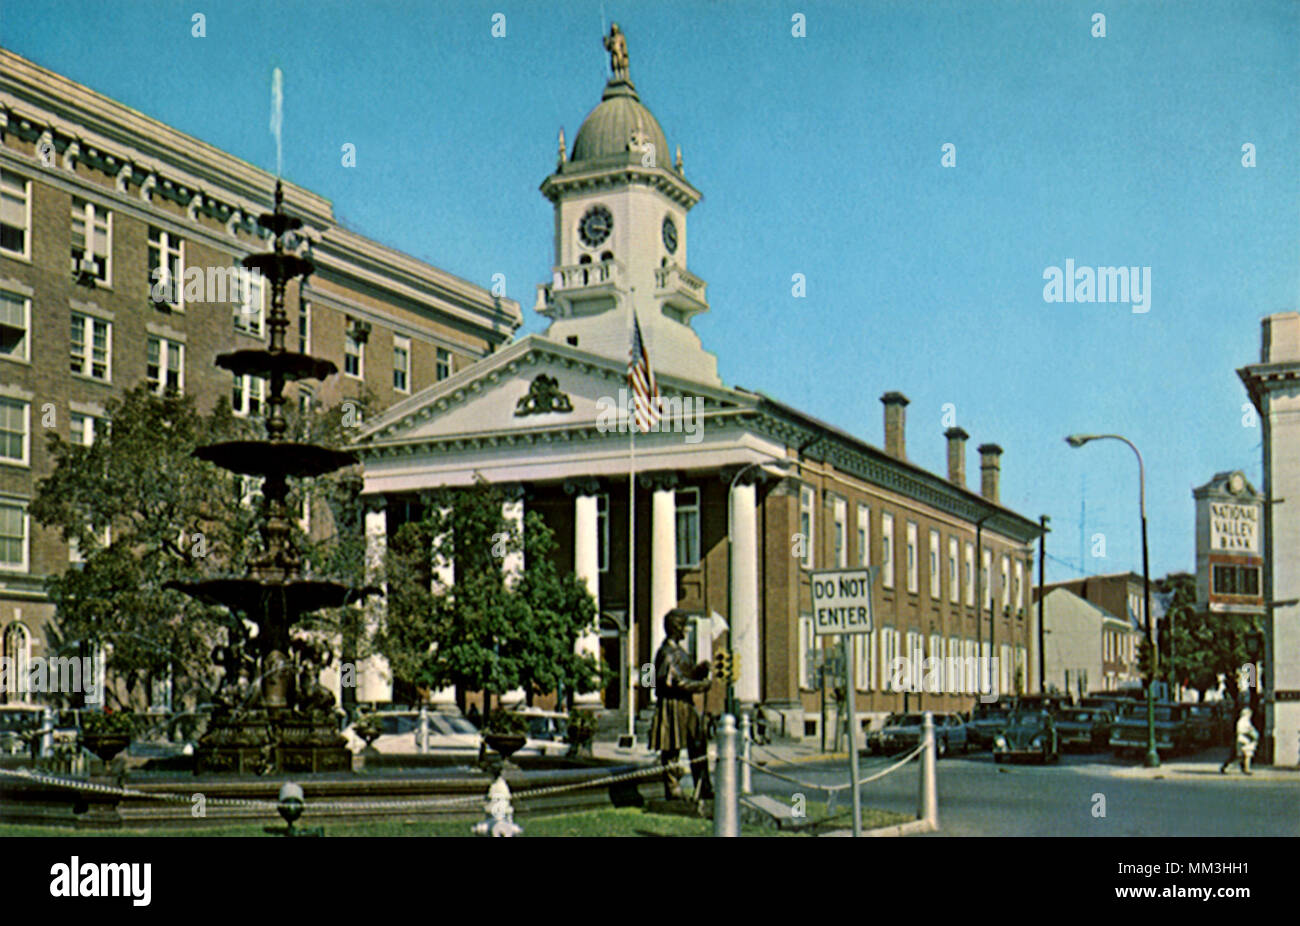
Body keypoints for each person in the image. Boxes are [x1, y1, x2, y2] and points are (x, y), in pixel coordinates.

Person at [648, 609, 714, 801]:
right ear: (676, 627)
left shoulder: (679, 651)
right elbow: (676, 682)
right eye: (684, 625)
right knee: (671, 747)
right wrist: (702, 685)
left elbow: (686, 673)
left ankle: (703, 786)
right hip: (672, 706)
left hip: (686, 705)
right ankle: (673, 788)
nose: (686, 629)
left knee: (698, 742)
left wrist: (700, 670)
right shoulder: (665, 653)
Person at [1221, 706, 1259, 775]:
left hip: (1246, 740)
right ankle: (1245, 769)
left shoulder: (1246, 721)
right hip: (1244, 740)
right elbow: (1240, 730)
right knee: (1245, 756)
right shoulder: (1242, 721)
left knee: (1243, 756)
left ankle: (1229, 768)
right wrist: (1249, 732)